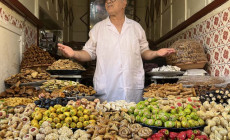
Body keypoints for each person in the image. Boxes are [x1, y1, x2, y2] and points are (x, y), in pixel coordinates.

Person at [58, 0, 175, 103]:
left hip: (132, 87)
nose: (108, 2)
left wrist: (156, 53)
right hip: (107, 88)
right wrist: (74, 53)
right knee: (108, 124)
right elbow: (88, 53)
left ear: (124, 3)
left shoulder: (136, 27)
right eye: (107, 0)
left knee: (134, 124)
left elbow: (144, 52)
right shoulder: (98, 28)